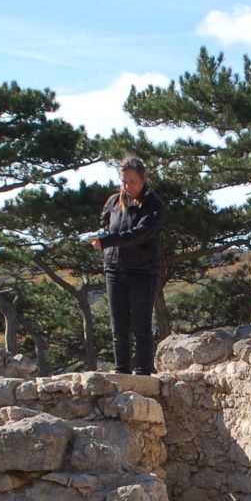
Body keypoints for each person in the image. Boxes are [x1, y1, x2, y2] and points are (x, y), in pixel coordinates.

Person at [90, 156, 165, 375]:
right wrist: (100, 236)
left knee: (141, 327)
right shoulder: (114, 201)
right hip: (114, 269)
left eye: (132, 181)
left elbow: (139, 235)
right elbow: (104, 225)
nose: (127, 186)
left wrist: (107, 242)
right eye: (123, 181)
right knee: (118, 328)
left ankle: (143, 373)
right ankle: (120, 372)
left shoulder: (154, 204)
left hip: (143, 271)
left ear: (143, 179)